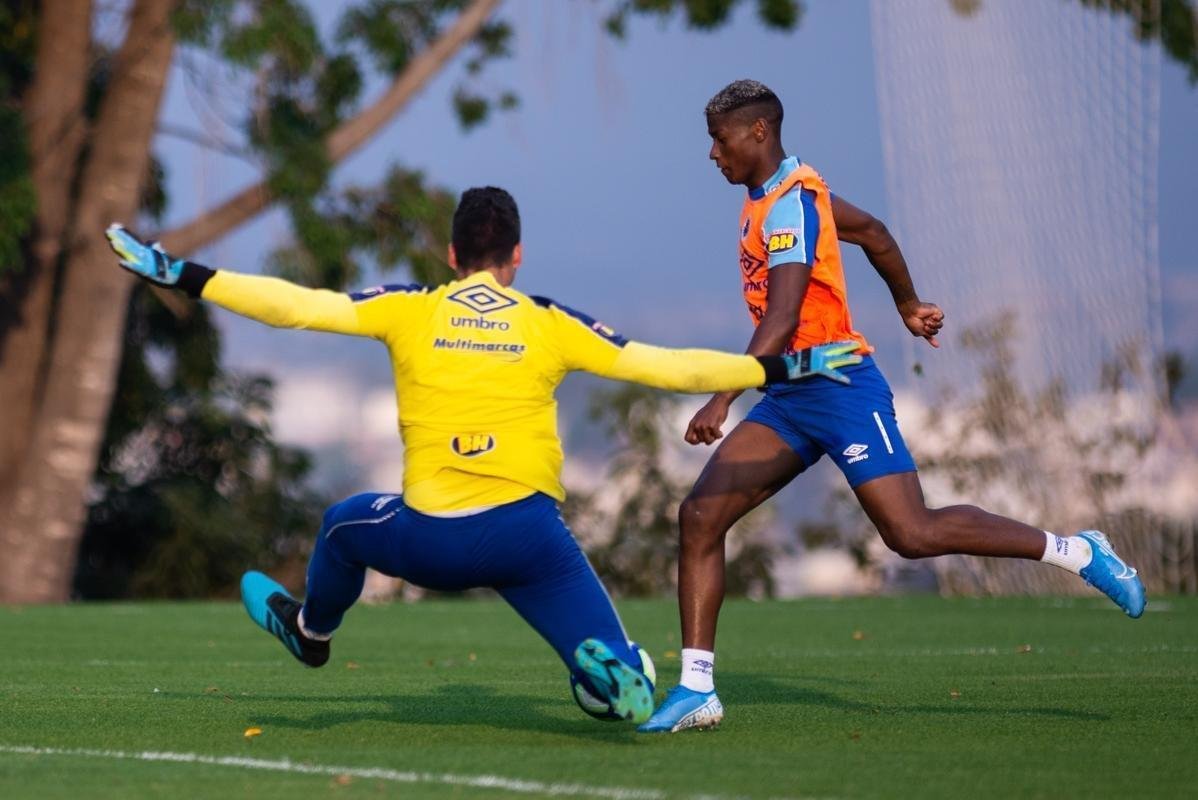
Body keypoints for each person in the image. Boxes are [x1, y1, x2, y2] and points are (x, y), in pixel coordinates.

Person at [104, 187, 862, 726]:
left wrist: (183, 274)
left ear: (451, 253)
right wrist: (779, 369)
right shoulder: (548, 322)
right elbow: (666, 367)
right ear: (517, 256)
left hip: (429, 538)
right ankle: (610, 676)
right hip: (530, 540)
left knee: (340, 525)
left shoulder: (409, 307)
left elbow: (297, 305)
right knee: (628, 673)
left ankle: (311, 635)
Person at [638, 80, 1147, 734]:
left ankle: (1077, 551)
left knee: (911, 534)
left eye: (721, 137)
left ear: (759, 132)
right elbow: (873, 233)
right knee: (701, 514)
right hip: (792, 393)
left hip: (841, 387)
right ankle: (697, 689)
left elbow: (786, 313)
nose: (712, 152)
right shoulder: (781, 195)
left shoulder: (792, 208)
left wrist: (722, 396)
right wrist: (907, 302)